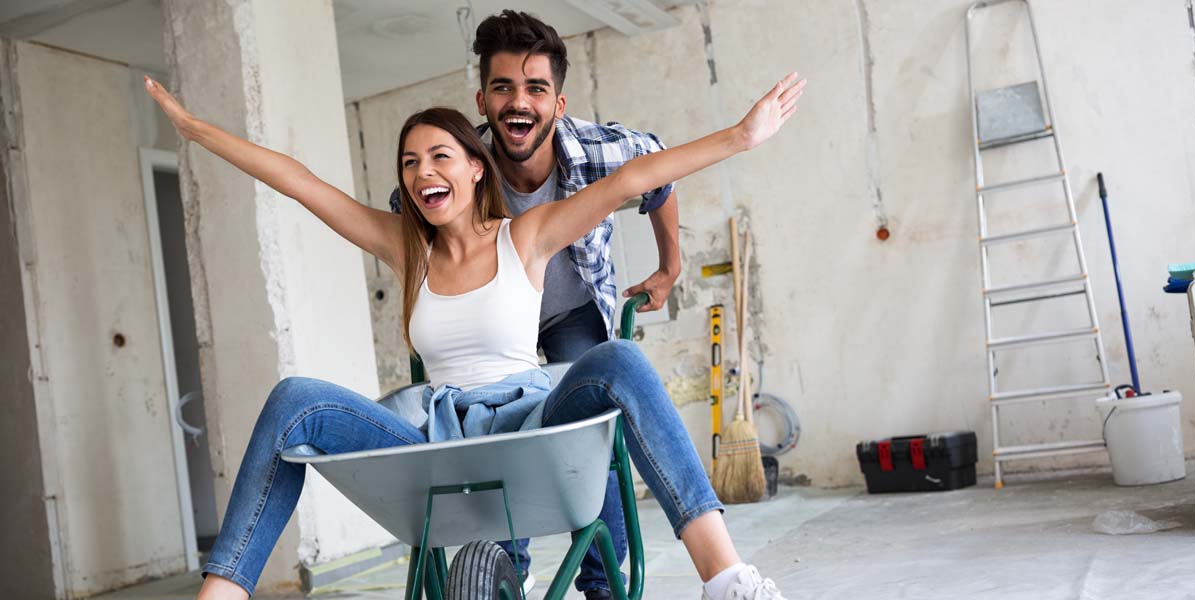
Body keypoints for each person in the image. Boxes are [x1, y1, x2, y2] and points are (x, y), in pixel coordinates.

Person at [143, 65, 805, 600]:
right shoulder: (407, 250)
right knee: (295, 399)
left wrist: (740, 138)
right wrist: (196, 130)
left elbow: (632, 178)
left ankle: (725, 579)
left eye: (440, 156)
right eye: (410, 162)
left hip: (532, 423)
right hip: (438, 436)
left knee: (620, 360)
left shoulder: (527, 236)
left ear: (475, 167)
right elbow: (301, 183)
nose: (423, 171)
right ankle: (222, 595)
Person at [455, 12, 686, 595]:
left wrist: (670, 265)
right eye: (503, 87)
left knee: (591, 426)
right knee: (497, 425)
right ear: (483, 100)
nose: (518, 103)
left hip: (571, 309)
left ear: (558, 103)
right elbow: (405, 208)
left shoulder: (598, 152)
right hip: (493, 323)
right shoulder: (463, 168)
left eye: (536, 89)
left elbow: (659, 173)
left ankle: (604, 582)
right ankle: (503, 571)